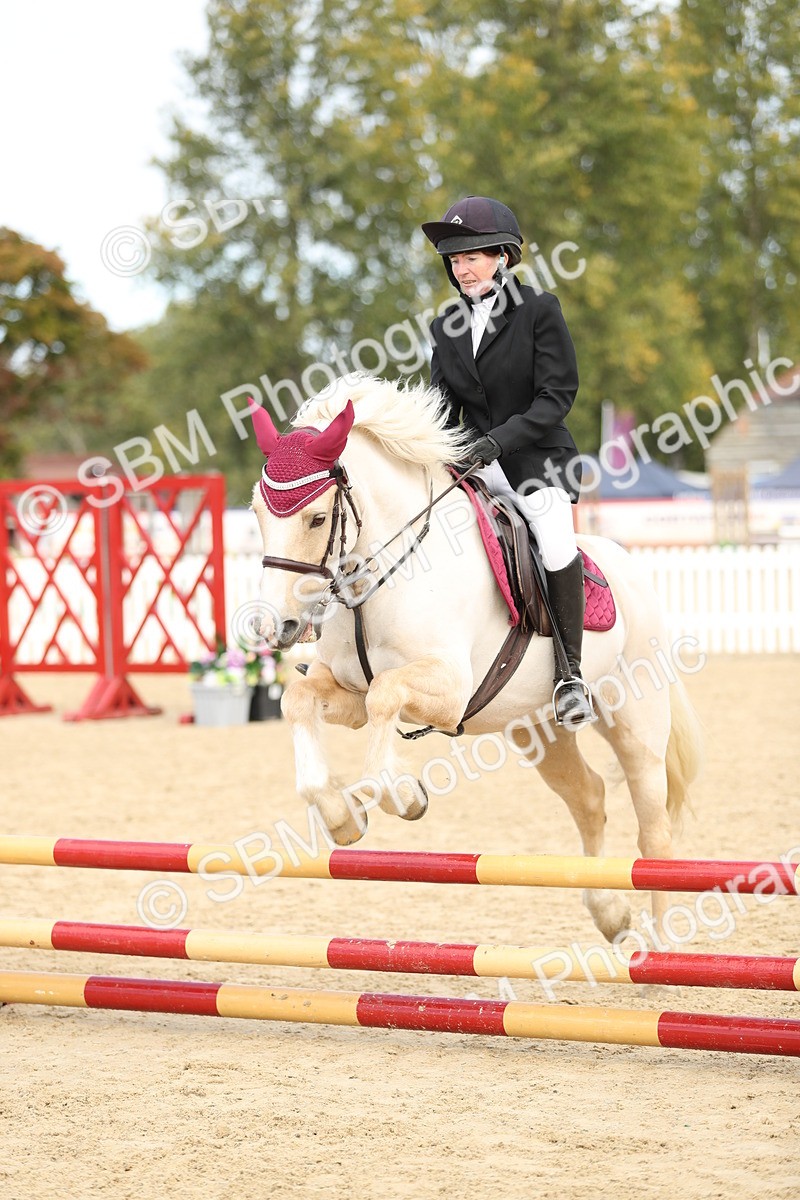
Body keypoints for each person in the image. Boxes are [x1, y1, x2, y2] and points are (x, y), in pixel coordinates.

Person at [421, 194, 594, 728]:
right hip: (474, 463)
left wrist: (498, 442)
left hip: (538, 460)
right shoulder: (445, 325)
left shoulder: (539, 309)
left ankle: (570, 676)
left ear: (502, 255)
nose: (461, 268)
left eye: (471, 256)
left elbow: (556, 395)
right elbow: (441, 406)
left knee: (553, 534)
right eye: (454, 260)